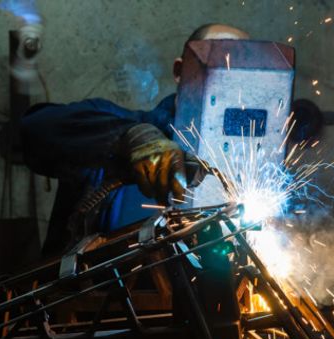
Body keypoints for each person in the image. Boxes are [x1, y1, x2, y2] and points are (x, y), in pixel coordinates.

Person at [20, 23, 251, 256]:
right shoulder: (116, 125)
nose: (228, 81)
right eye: (219, 64)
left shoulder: (255, 163)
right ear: (180, 71)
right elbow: (33, 129)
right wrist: (127, 139)